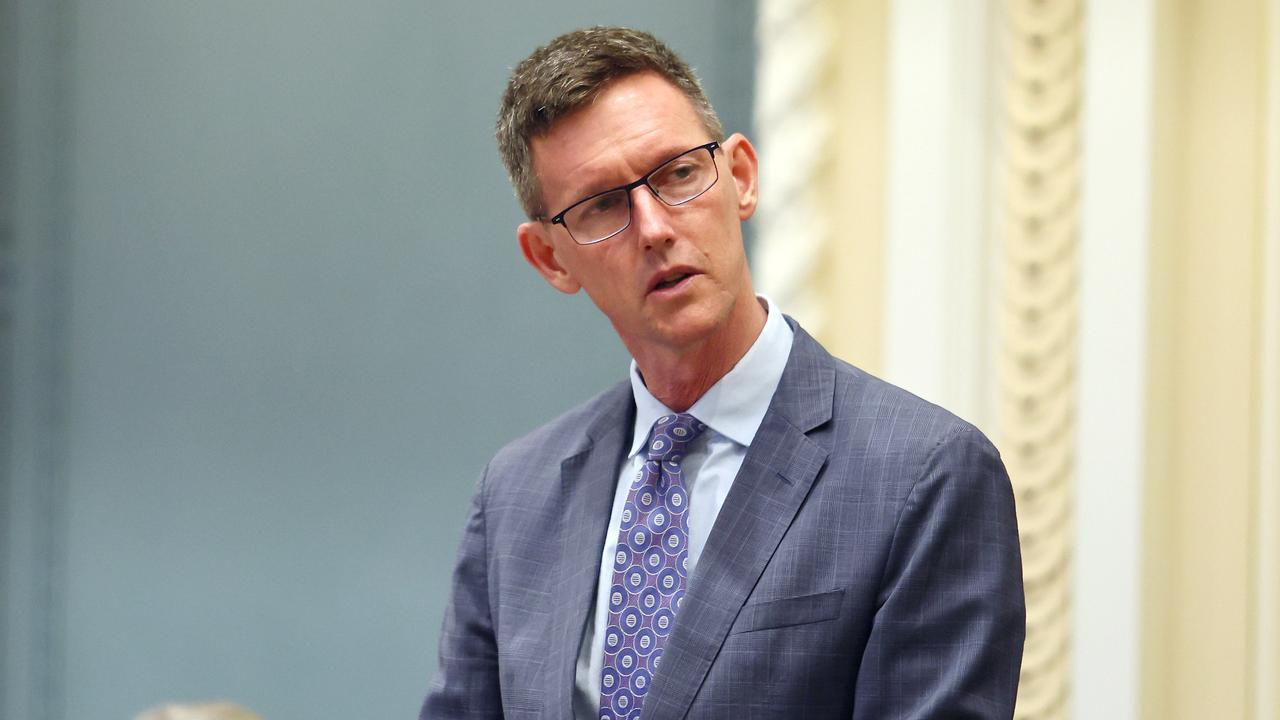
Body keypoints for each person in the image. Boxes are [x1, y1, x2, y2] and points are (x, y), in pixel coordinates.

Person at [421, 26, 1024, 720]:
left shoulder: (926, 475)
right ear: (551, 259)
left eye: (678, 174)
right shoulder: (516, 493)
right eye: (603, 206)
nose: (653, 228)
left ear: (739, 176)